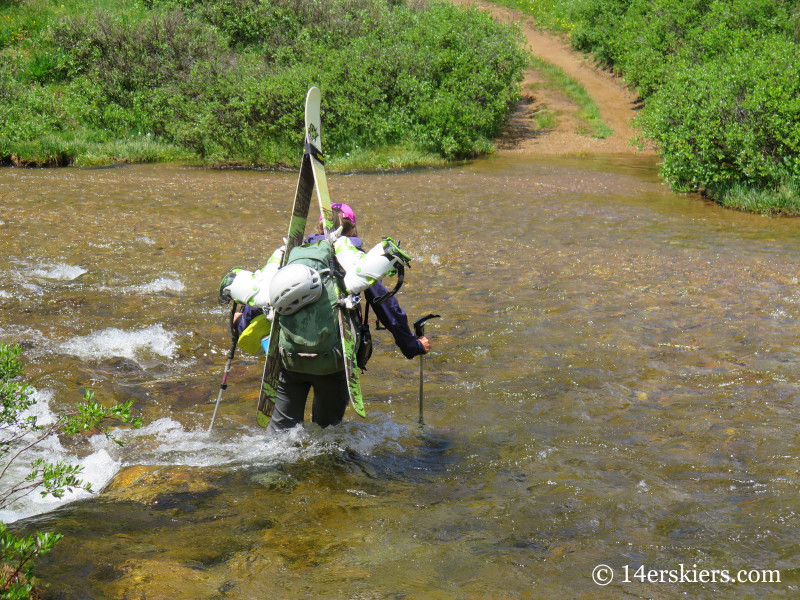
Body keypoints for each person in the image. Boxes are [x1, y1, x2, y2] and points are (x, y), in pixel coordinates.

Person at [227, 203, 430, 434]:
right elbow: (387, 308)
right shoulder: (354, 262)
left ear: (318, 227)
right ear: (352, 230)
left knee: (280, 437)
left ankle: (276, 469)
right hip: (333, 361)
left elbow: (269, 295)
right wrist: (412, 346)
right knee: (328, 434)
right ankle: (327, 469)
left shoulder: (293, 255)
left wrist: (240, 322)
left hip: (288, 357)